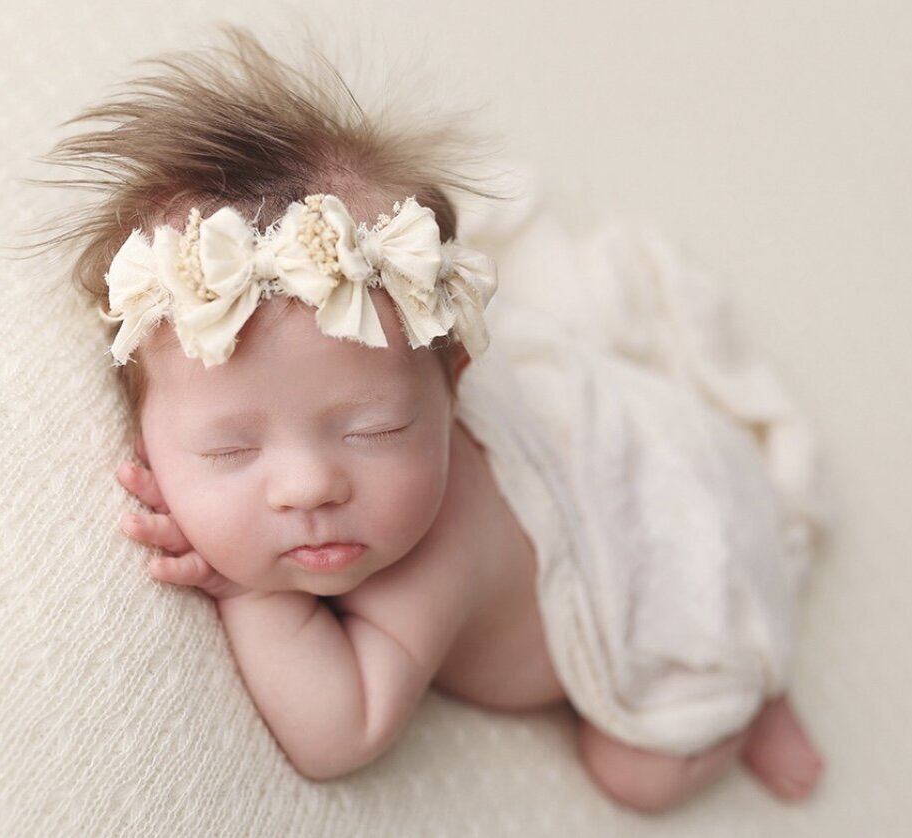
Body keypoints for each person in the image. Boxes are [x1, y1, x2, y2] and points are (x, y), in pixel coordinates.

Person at [41, 25, 826, 812]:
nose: (309, 486)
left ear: (452, 390)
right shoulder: (343, 447)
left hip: (660, 536)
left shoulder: (433, 555)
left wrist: (250, 593)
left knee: (639, 775)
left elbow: (339, 735)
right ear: (148, 442)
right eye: (230, 448)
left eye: (375, 431)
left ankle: (750, 692)